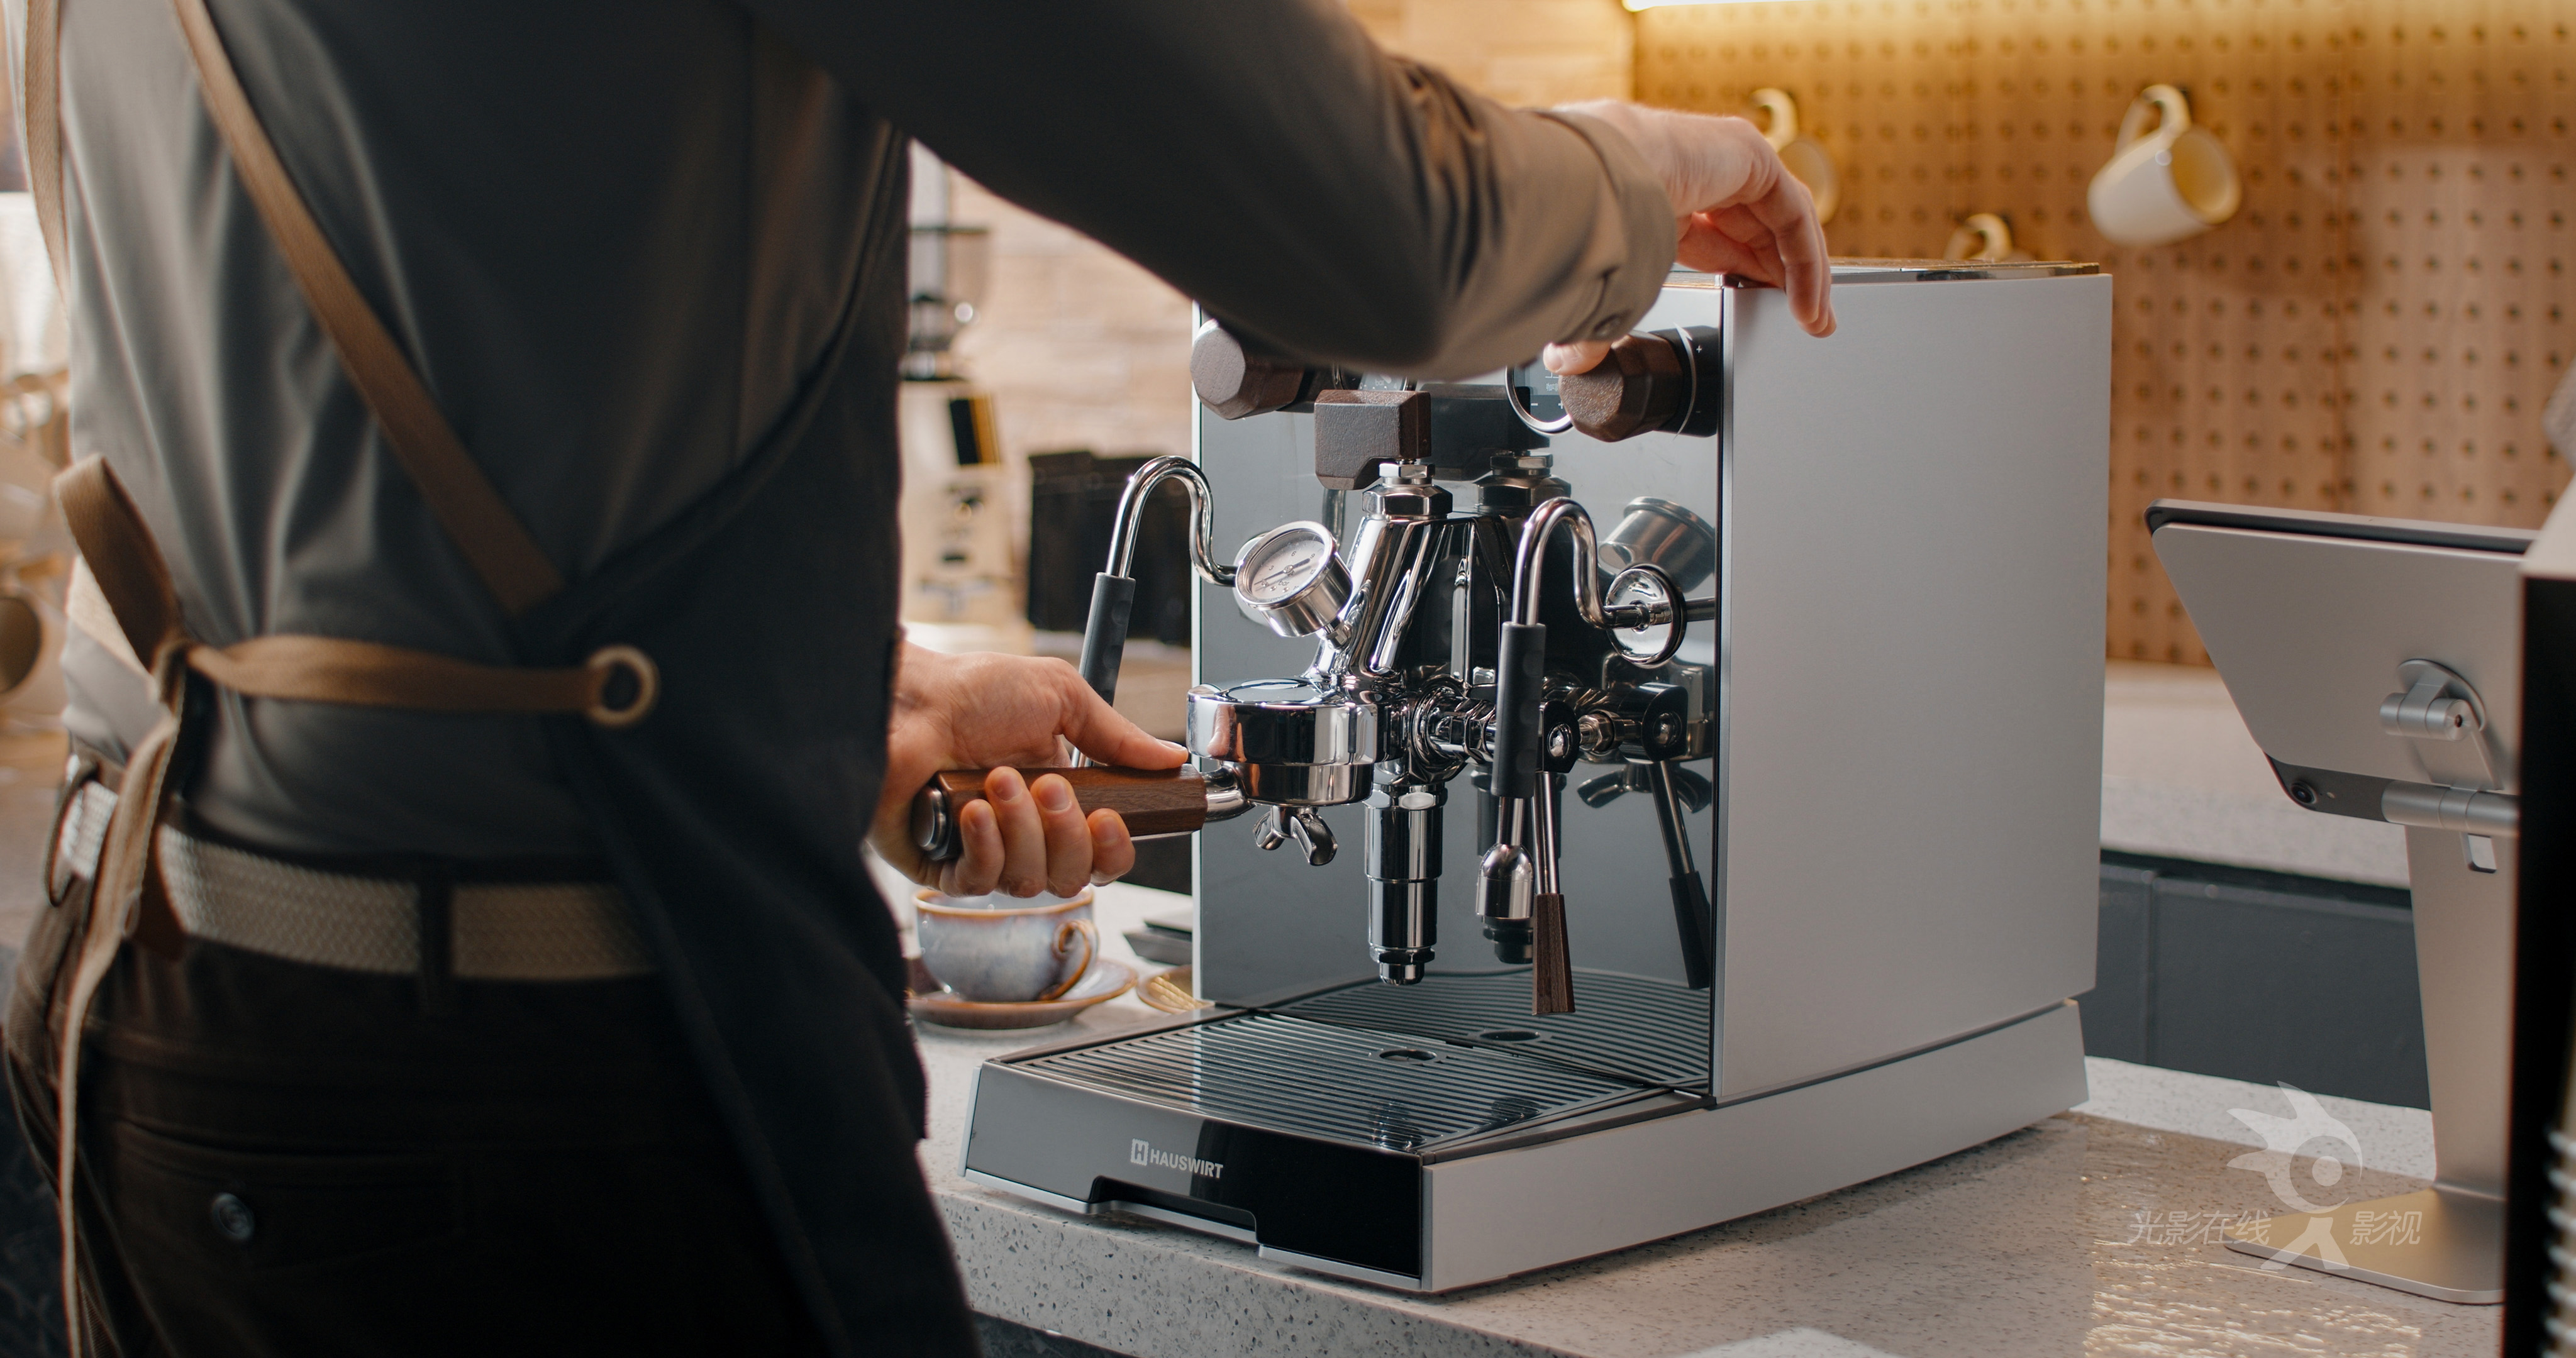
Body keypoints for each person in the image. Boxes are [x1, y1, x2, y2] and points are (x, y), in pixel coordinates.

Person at [2, 0, 1834, 1353]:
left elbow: (369, 451)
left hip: (147, 987)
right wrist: (1652, 161)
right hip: (523, 1091)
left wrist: (840, 700)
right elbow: (1385, 233)